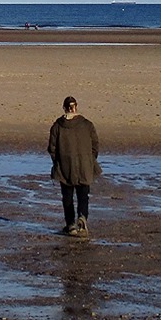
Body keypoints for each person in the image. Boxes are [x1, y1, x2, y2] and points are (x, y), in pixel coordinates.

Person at [47, 95, 101, 236]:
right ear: (76, 107)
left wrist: (57, 162)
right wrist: (90, 160)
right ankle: (82, 219)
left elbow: (52, 148)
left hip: (65, 166)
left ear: (64, 108)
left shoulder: (57, 126)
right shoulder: (87, 125)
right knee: (83, 196)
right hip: (84, 166)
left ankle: (71, 225)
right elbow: (95, 145)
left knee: (67, 197)